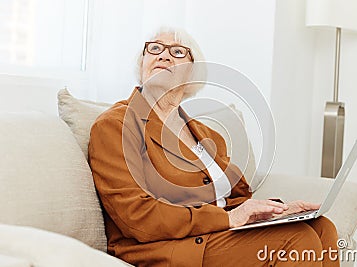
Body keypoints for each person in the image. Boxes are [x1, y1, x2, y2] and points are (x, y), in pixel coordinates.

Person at [88, 27, 340, 267]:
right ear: (142, 63)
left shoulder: (207, 134)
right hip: (164, 245)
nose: (164, 54)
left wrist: (275, 213)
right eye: (154, 49)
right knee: (295, 241)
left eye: (177, 52)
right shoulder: (116, 125)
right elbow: (136, 215)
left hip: (213, 235)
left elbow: (235, 200)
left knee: (322, 228)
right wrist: (228, 219)